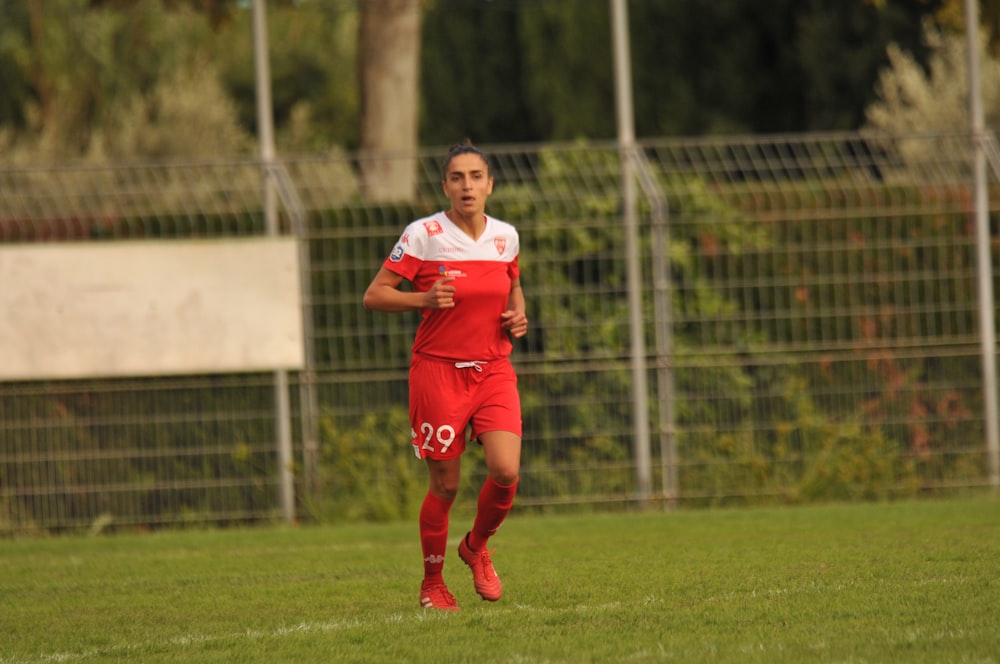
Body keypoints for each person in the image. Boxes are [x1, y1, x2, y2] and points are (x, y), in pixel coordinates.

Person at [363, 142, 528, 611]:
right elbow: (374, 295)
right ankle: (432, 584)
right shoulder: (424, 234)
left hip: (493, 368)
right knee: (446, 486)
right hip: (438, 372)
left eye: (476, 176)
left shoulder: (506, 237)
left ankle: (475, 547)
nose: (467, 185)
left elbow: (514, 287)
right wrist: (423, 299)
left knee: (506, 470)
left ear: (490, 184)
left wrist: (518, 316)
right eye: (457, 177)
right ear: (445, 186)